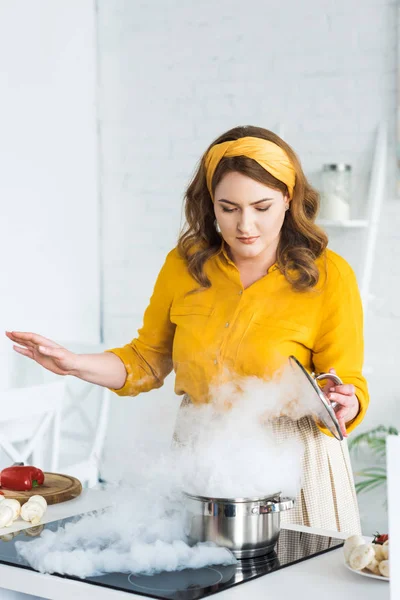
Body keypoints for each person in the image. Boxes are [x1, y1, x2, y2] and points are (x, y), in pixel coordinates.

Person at [6, 125, 368, 534]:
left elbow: (346, 380)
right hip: (202, 449)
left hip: (292, 461)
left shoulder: (329, 275)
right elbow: (146, 360)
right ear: (210, 204)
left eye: (262, 207)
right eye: (228, 207)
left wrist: (345, 401)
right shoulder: (184, 265)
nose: (245, 224)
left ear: (288, 198)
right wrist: (73, 364)